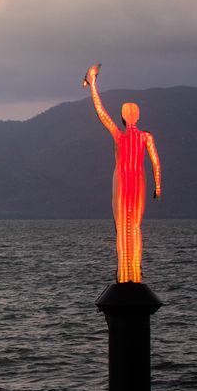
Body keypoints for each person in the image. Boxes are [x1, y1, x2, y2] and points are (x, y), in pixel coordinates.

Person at [83, 64, 161, 283]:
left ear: (124, 118)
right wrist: (158, 186)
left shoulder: (119, 135)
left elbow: (101, 113)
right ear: (137, 116)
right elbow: (155, 162)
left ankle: (123, 275)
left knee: (122, 229)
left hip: (122, 182)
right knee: (134, 228)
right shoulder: (147, 137)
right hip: (138, 182)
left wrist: (93, 85)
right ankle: (135, 274)